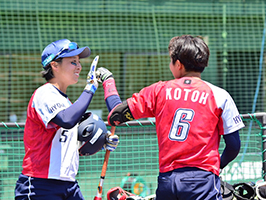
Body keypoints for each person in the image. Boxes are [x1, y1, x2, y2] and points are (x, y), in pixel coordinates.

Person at [97, 35, 244, 200]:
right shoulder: (219, 95)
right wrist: (217, 167)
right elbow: (233, 146)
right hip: (202, 180)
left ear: (179, 65)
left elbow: (116, 114)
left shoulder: (159, 91)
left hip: (168, 180)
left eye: (171, 61)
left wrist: (108, 81)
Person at [15, 39, 119, 200]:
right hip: (40, 185)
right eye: (72, 62)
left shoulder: (65, 101)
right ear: (54, 65)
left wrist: (101, 142)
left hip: (69, 184)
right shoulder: (44, 93)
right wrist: (90, 88)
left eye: (78, 62)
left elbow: (70, 144)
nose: (79, 66)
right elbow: (67, 120)